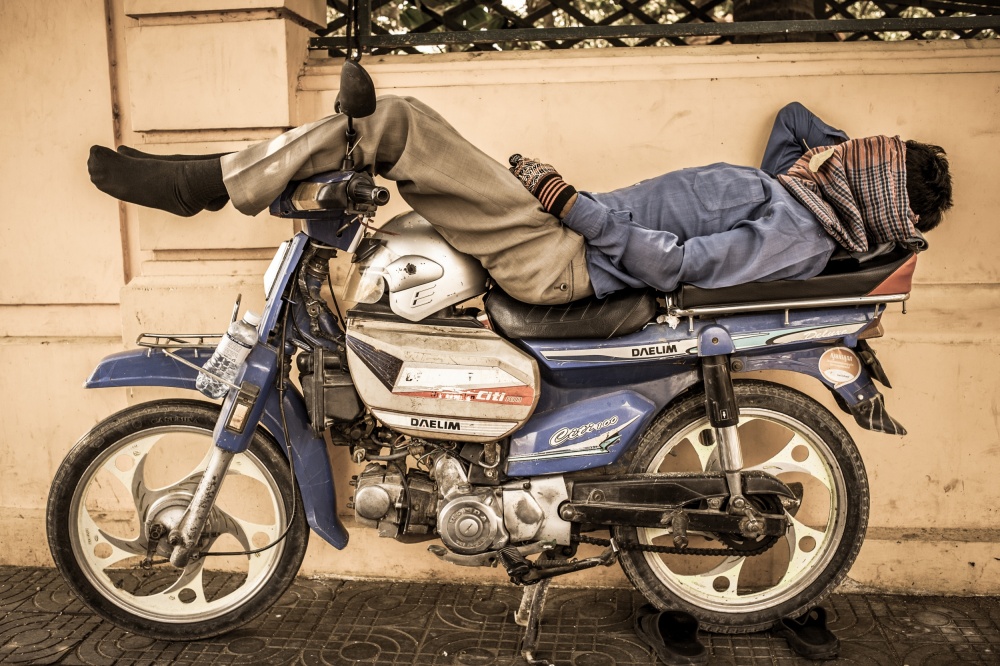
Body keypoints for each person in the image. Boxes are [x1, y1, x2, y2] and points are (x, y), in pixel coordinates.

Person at [87, 98, 952, 305]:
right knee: (388, 181)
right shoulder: (799, 187)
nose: (841, 150)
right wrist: (844, 160)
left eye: (863, 155)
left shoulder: (800, 232)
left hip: (565, 254)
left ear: (866, 182)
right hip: (560, 228)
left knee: (397, 125)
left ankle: (206, 185)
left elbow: (678, 267)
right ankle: (232, 176)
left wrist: (568, 203)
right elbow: (798, 121)